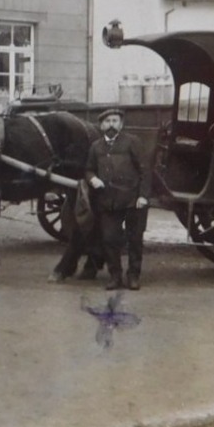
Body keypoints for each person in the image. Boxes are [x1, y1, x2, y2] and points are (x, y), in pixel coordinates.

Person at [86, 107, 150, 290]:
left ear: (121, 124)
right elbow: (88, 169)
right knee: (109, 239)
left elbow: (145, 170)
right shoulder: (96, 146)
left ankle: (133, 276)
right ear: (101, 125)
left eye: (114, 121)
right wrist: (93, 179)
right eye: (107, 122)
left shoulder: (133, 142)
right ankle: (115, 276)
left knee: (135, 239)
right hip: (108, 201)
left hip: (132, 200)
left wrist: (143, 196)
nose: (111, 125)